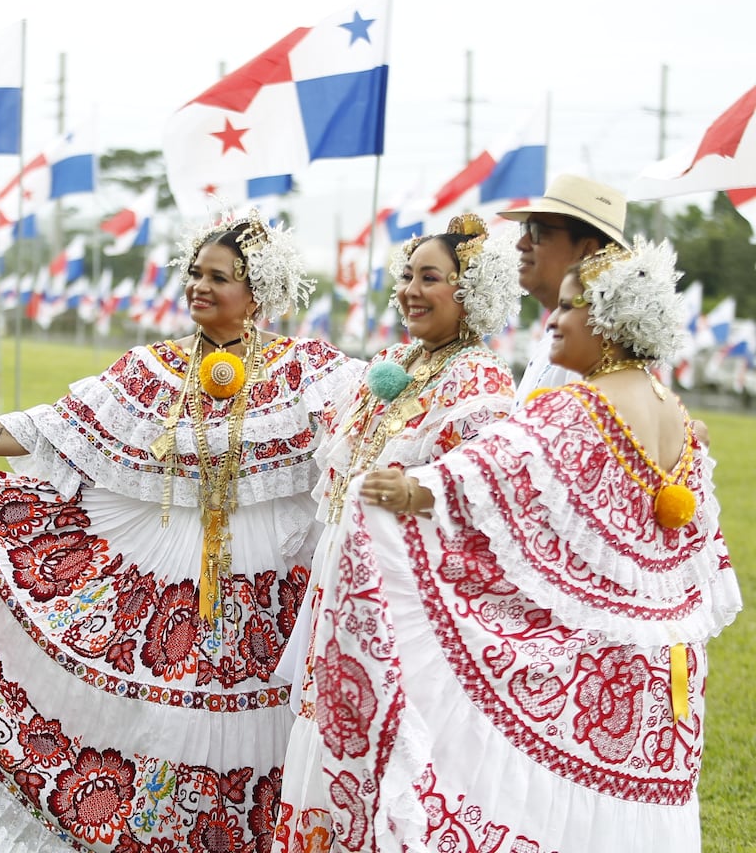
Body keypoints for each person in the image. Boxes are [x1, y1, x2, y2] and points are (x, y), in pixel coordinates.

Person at [0, 207, 359, 853]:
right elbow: (56, 428)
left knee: (265, 749)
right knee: (171, 739)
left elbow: (374, 433)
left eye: (217, 277)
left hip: (269, 600)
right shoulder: (151, 372)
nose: (198, 286)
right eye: (194, 272)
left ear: (258, 295)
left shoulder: (311, 373)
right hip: (175, 598)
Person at [280, 239, 742, 852]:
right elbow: (691, 537)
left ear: (610, 322)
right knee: (620, 814)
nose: (554, 319)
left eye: (573, 308)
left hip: (591, 665)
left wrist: (408, 491)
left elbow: (492, 473)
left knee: (545, 800)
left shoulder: (582, 405)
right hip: (659, 668)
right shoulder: (673, 409)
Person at [275, 212, 521, 833]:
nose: (410, 290)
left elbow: (487, 495)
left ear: (473, 293)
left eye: (429, 277)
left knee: (394, 733)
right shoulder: (392, 359)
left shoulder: (481, 379)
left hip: (410, 592)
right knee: (332, 722)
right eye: (407, 275)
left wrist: (416, 495)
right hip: (345, 570)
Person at [497, 173, 628, 405]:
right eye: (524, 229)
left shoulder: (592, 346)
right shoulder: (559, 335)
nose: (522, 243)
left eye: (538, 231)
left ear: (588, 251)